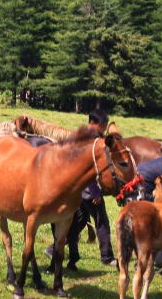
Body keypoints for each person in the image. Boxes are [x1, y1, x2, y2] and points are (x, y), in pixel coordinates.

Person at [45, 108, 116, 268]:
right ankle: (107, 256)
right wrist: (95, 193)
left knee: (77, 223)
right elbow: (87, 169)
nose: (104, 129)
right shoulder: (90, 141)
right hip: (88, 190)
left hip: (79, 190)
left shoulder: (83, 137)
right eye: (102, 125)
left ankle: (52, 249)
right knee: (101, 221)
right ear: (92, 123)